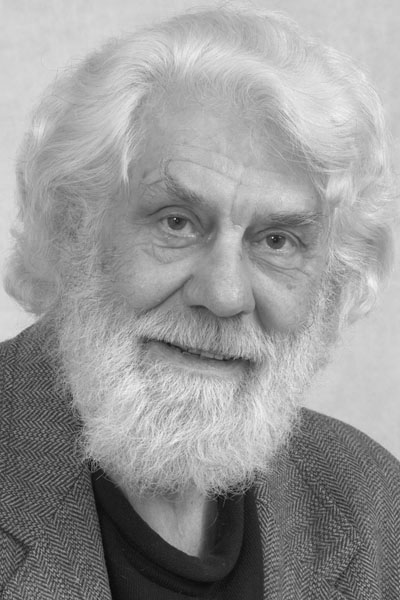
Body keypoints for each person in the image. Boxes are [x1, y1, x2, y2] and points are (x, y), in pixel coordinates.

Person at [1, 5, 399, 599]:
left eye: (277, 241)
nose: (224, 295)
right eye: (178, 222)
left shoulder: (372, 504)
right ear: (70, 229)